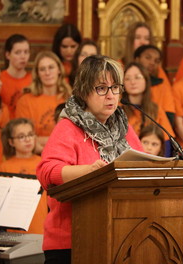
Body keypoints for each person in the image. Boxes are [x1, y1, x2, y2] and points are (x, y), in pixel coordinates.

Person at [37, 55, 143, 263]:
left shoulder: (123, 128)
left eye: (115, 88)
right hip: (72, 241)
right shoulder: (69, 127)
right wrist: (89, 172)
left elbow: (141, 167)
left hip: (120, 237)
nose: (111, 95)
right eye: (101, 88)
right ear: (84, 91)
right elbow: (46, 172)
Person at [0, 118, 47, 234]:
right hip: (14, 231)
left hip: (40, 229)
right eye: (21, 136)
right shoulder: (4, 168)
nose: (27, 139)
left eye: (30, 135)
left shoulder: (44, 163)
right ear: (11, 142)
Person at [15, 51, 72, 153]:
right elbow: (23, 138)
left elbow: (74, 138)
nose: (47, 73)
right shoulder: (25, 101)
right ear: (37, 73)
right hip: (34, 159)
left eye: (51, 67)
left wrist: (41, 140)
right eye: (42, 69)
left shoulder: (70, 99)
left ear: (59, 69)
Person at [122, 62, 174, 156]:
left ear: (146, 80)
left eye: (137, 77)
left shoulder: (156, 110)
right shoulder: (118, 112)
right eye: (127, 78)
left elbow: (166, 142)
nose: (132, 82)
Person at [133, 46, 176, 126]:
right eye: (148, 58)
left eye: (156, 61)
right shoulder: (127, 83)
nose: (152, 63)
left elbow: (169, 117)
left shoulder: (162, 87)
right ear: (137, 59)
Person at [0, 34, 32, 118]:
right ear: (7, 55)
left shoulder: (33, 80)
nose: (23, 56)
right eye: (18, 52)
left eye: (26, 52)